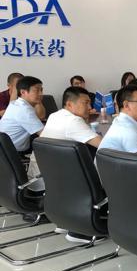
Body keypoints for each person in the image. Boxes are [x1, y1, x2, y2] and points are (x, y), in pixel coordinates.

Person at [27, 87, 103, 242]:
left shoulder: (55, 115)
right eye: (85, 103)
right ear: (69, 104)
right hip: (63, 180)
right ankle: (83, 229)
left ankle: (66, 221)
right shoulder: (73, 121)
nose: (90, 107)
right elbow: (104, 145)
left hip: (48, 177)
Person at [0, 76, 43, 154]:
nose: (41, 94)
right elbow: (44, 134)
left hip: (5, 149)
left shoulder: (16, 103)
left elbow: (41, 116)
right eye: (36, 90)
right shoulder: (24, 110)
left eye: (41, 90)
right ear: (23, 92)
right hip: (13, 153)